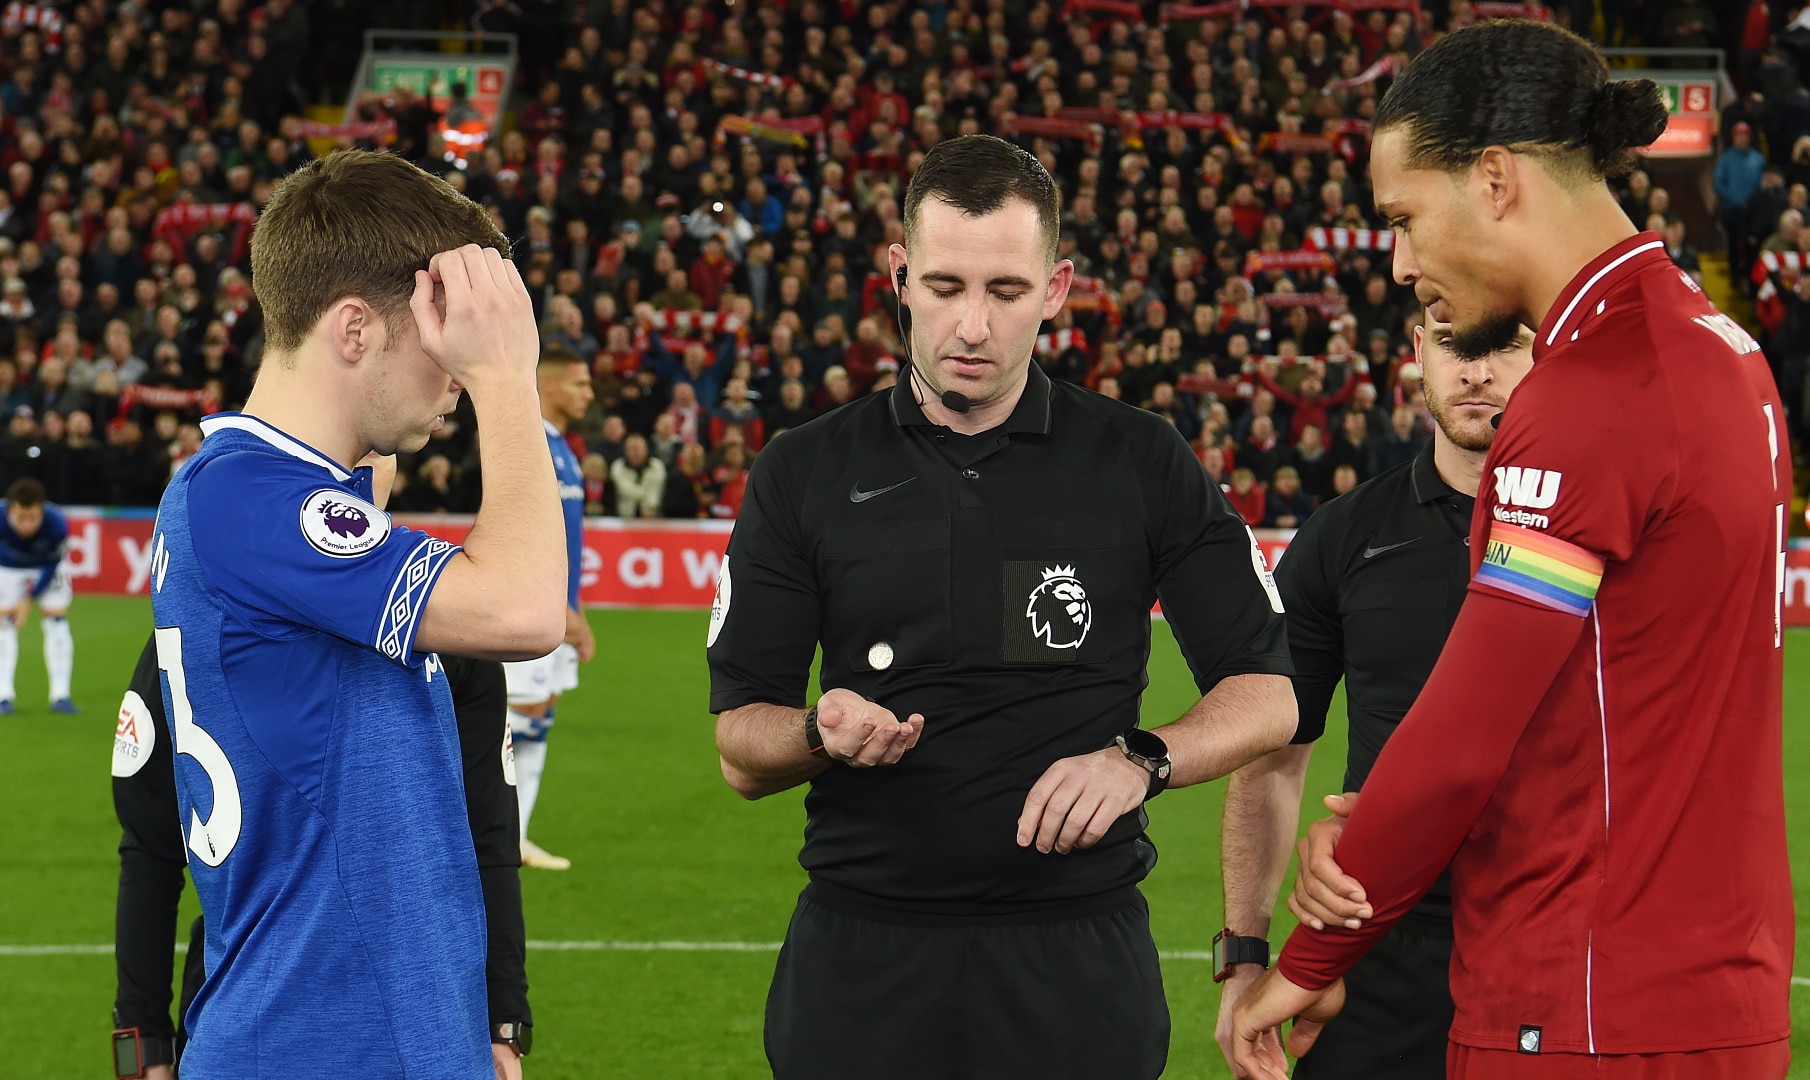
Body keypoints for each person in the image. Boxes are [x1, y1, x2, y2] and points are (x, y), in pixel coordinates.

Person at [1231, 23, 1792, 1080]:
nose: (1400, 262)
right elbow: (1610, 700)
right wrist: (1380, 815)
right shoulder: (1723, 351)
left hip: (1579, 997)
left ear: (1492, 179)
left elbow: (1460, 745)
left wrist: (1310, 956)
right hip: (1709, 987)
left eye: (1403, 217)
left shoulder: (1587, 394)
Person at [707, 135, 1299, 1080]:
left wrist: (1142, 759)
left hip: (1076, 963)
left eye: (1006, 292)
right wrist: (821, 729)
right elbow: (741, 750)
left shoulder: (1140, 460)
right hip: (863, 961)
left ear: (1057, 288)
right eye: (943, 288)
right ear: (899, 274)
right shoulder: (803, 470)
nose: (971, 326)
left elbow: (1270, 692)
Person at [148, 149, 565, 1079]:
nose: (458, 371)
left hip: (367, 1030)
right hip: (321, 1039)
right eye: (443, 339)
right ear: (352, 330)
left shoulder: (251, 495)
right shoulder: (252, 499)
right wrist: (509, 379)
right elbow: (526, 608)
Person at [112, 461, 536, 1080]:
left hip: (430, 1016)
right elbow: (150, 848)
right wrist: (142, 1041)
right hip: (250, 1008)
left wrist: (505, 1018)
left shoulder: (455, 623)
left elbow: (488, 835)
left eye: (371, 452)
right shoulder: (199, 626)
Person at [1215, 318, 1534, 1080]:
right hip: (1372, 942)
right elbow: (1274, 760)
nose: (1477, 373)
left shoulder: (1606, 533)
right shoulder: (1344, 536)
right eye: (1457, 345)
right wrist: (1246, 956)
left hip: (1554, 932)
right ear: (1418, 346)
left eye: (1503, 348)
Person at [505, 347, 596, 871]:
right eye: (580, 383)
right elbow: (524, 533)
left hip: (558, 604)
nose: (588, 394)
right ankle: (487, 832)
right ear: (550, 383)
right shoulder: (528, 441)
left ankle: (514, 834)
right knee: (520, 720)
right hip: (532, 604)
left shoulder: (562, 446)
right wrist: (561, 608)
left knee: (539, 721)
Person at [0, 477, 77, 713]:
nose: (26, 524)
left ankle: (60, 695)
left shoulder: (56, 524)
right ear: (10, 510)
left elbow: (53, 563)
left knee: (56, 621)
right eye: (20, 517)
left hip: (46, 567)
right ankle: (4, 696)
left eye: (32, 517)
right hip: (7, 568)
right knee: (4, 624)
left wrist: (28, 599)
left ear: (41, 511)